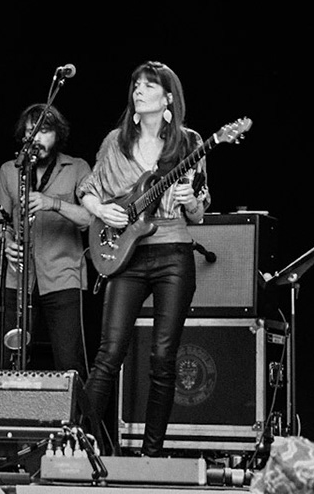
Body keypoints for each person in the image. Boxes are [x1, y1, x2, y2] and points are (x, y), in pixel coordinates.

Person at [77, 63, 208, 456]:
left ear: (168, 97)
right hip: (124, 255)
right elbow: (86, 189)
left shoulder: (189, 143)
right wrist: (101, 211)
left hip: (172, 251)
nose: (139, 90)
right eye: (136, 84)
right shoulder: (114, 142)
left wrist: (191, 201)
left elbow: (199, 213)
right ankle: (74, 443)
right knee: (108, 353)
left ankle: (151, 455)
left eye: (150, 85)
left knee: (163, 357)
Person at [0, 102, 92, 375]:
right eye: (30, 133)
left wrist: (53, 203)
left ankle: (75, 419)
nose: (35, 139)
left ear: (57, 134)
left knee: (69, 361)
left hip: (63, 277)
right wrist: (6, 241)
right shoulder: (8, 170)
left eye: (44, 132)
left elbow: (91, 220)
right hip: (18, 279)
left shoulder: (78, 167)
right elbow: (0, 222)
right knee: (10, 361)